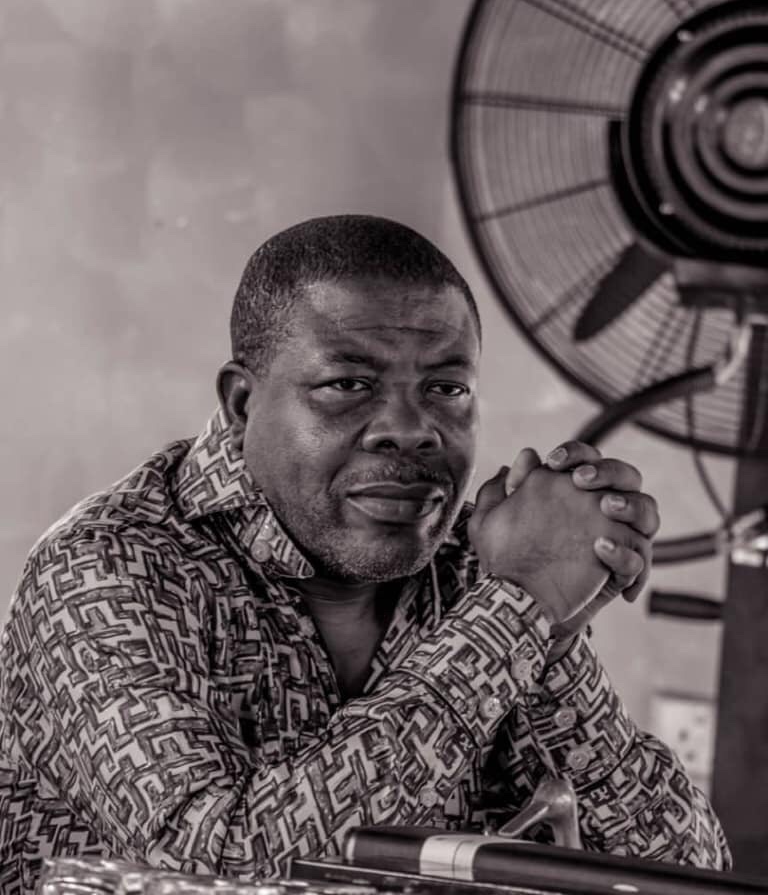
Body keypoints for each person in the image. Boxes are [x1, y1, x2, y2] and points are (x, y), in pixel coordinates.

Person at [0, 215, 729, 893]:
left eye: (446, 387)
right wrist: (518, 610)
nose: (411, 429)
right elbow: (227, 870)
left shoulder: (477, 568)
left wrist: (552, 637)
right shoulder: (103, 569)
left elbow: (681, 874)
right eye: (348, 384)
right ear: (242, 403)